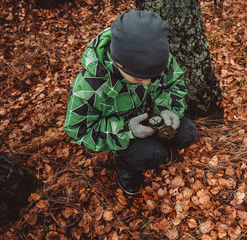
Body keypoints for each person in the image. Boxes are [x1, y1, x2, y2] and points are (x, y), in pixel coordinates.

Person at [64, 11, 197, 195]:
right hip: (122, 132)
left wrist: (168, 108)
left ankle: (161, 149)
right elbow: (79, 129)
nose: (149, 83)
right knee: (150, 154)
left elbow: (174, 83)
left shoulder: (155, 55)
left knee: (187, 133)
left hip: (153, 117)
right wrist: (126, 130)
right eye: (140, 78)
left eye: (153, 76)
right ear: (119, 63)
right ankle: (125, 166)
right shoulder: (89, 85)